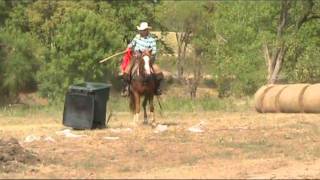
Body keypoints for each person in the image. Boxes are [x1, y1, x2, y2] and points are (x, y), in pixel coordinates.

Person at [121, 22, 164, 96]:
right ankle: (126, 88)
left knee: (159, 73)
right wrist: (128, 47)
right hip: (136, 57)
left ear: (147, 30)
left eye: (143, 30)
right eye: (141, 30)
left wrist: (147, 53)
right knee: (126, 71)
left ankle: (157, 88)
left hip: (148, 58)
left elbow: (154, 51)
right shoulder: (137, 37)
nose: (142, 31)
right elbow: (131, 44)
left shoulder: (152, 40)